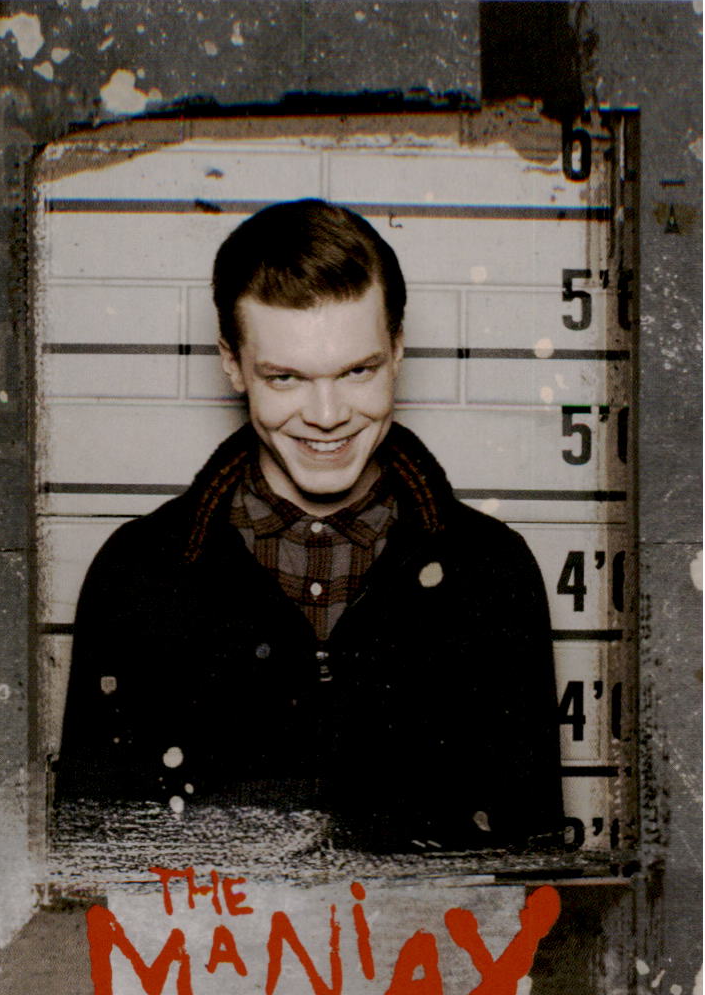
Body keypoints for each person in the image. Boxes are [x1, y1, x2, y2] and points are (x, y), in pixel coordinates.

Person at [54, 198, 564, 854]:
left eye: (357, 371)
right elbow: (91, 869)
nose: (326, 415)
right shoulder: (137, 575)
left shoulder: (492, 573)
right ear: (232, 363)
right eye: (286, 377)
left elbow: (533, 876)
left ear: (398, 351)